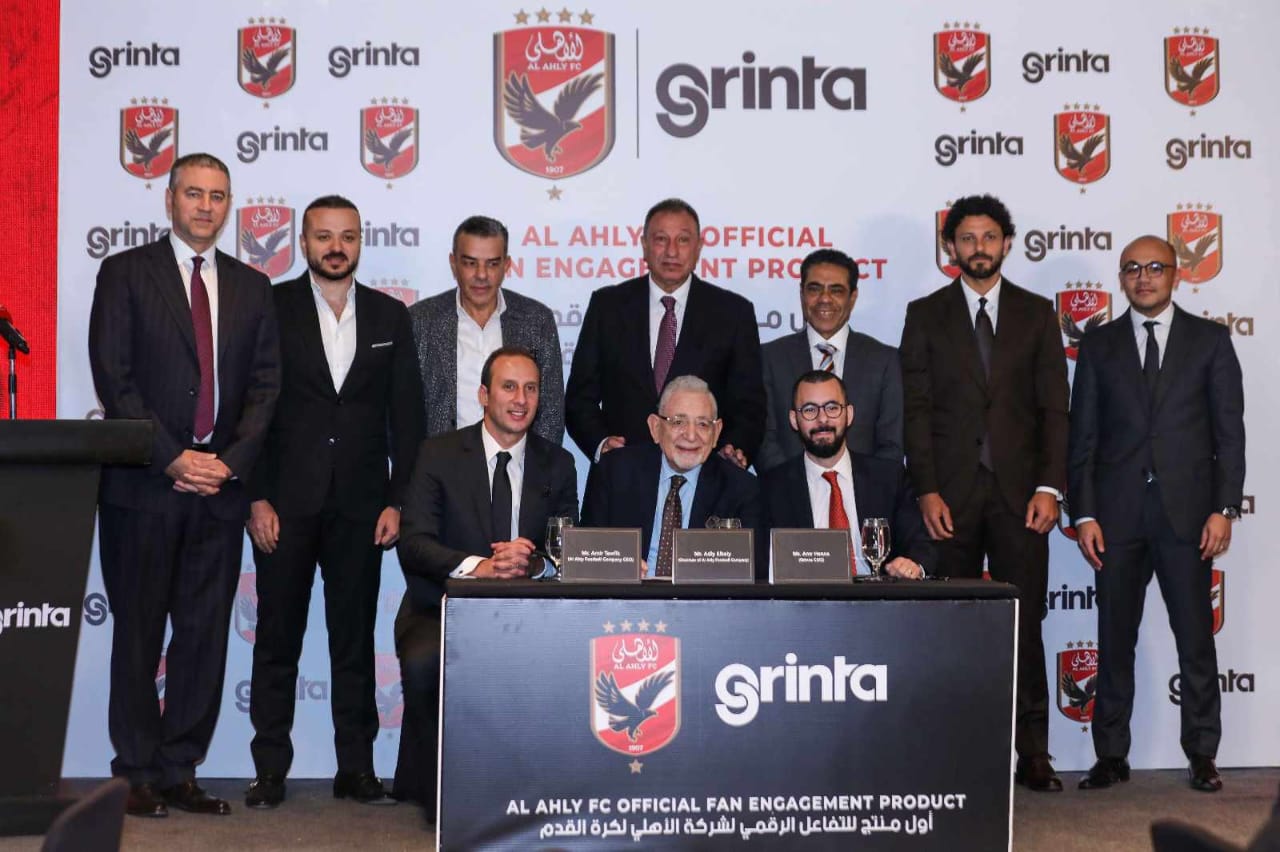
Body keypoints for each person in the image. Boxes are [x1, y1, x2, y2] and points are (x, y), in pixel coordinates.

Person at [87, 152, 281, 817]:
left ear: (229, 206)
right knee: (138, 635)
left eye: (217, 196)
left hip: (220, 491)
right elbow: (114, 379)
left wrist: (230, 462)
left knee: (202, 638)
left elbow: (266, 387)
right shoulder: (125, 273)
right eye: (193, 193)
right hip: (145, 488)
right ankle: (136, 771)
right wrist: (172, 458)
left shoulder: (253, 286)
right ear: (169, 200)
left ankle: (180, 770)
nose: (205, 206)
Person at [243, 195, 424, 809]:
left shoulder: (389, 316)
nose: (336, 247)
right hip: (284, 506)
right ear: (303, 242)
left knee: (353, 644)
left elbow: (407, 420)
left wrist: (398, 501)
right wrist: (256, 497)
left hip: (362, 508)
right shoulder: (271, 309)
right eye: (324, 236)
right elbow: (250, 412)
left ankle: (357, 768)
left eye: (347, 235)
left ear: (360, 241)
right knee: (277, 641)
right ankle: (269, 769)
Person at [899, 193, 1069, 792]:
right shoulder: (924, 314)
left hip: (1023, 498)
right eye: (967, 238)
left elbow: (1055, 409)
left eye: (989, 237)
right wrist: (926, 490)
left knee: (1024, 625)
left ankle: (1034, 754)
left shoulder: (1037, 313)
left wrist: (1050, 486)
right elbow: (916, 411)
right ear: (951, 246)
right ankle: (957, 752)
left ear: (1006, 243)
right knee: (952, 627)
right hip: (950, 498)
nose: (979, 248)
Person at [1069, 235, 1244, 793]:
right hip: (1115, 519)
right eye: (1132, 269)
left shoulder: (1210, 341)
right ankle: (1111, 755)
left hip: (1188, 518)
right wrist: (1084, 514)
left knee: (1196, 640)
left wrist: (1224, 508)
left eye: (1154, 268)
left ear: (1176, 274)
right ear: (1121, 278)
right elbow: (1083, 437)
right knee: (1114, 639)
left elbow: (1229, 434)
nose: (1143, 277)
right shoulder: (1098, 345)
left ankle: (1202, 753)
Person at [393, 346, 578, 822]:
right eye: (509, 387)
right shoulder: (438, 454)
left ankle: (545, 792)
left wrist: (533, 563)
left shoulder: (558, 464)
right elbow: (414, 544)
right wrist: (481, 565)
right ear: (483, 395)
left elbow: (571, 547)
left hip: (532, 614)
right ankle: (442, 796)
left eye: (531, 389)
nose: (521, 400)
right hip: (443, 609)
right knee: (424, 660)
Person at [566, 198, 765, 469]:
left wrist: (732, 450)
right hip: (621, 475)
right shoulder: (608, 306)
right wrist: (601, 445)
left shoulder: (733, 313)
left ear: (698, 247)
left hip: (705, 476)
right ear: (644, 246)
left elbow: (749, 406)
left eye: (683, 240)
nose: (672, 251)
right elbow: (579, 398)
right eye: (661, 239)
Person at [581, 375, 762, 578]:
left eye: (703, 424)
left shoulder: (741, 488)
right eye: (678, 422)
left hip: (701, 597)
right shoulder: (614, 472)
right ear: (655, 427)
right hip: (627, 595)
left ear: (716, 432)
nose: (691, 436)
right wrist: (615, 569)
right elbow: (585, 553)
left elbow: (754, 571)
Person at [760, 370, 930, 578]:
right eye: (810, 410)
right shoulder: (771, 487)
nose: (823, 419)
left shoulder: (889, 478)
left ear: (849, 414)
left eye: (832, 408)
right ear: (794, 420)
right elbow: (762, 562)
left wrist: (913, 565)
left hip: (878, 596)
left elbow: (921, 546)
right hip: (806, 597)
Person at [409, 215, 563, 442]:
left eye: (492, 264)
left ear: (506, 265)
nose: (481, 275)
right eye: (470, 263)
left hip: (517, 462)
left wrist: (533, 465)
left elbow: (551, 412)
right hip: (439, 462)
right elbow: (402, 411)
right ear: (453, 264)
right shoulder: (420, 320)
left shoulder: (537, 320)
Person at [757, 249, 903, 473]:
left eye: (836, 290)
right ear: (802, 294)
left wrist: (859, 487)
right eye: (815, 289)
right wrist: (795, 486)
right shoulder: (769, 358)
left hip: (866, 491)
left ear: (852, 297)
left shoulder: (884, 361)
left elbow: (892, 444)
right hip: (788, 490)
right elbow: (764, 439)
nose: (825, 299)